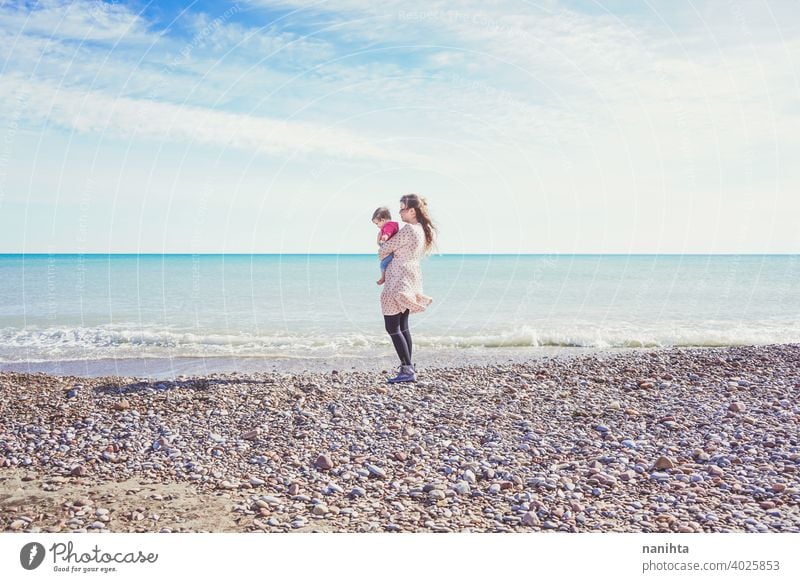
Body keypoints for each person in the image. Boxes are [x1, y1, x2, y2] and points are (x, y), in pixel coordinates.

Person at [378, 194, 435, 383]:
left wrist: (382, 242)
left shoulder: (409, 229)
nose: (399, 212)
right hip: (411, 277)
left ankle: (407, 369)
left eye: (402, 208)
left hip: (397, 278)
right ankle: (408, 366)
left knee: (392, 326)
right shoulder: (421, 230)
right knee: (403, 325)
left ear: (412, 210)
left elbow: (383, 249)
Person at [372, 207, 399, 285]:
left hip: (392, 252)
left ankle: (383, 278)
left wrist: (384, 238)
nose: (377, 226)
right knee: (385, 263)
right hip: (390, 250)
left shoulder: (389, 225)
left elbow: (388, 233)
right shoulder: (390, 225)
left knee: (383, 264)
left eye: (377, 223)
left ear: (383, 220)